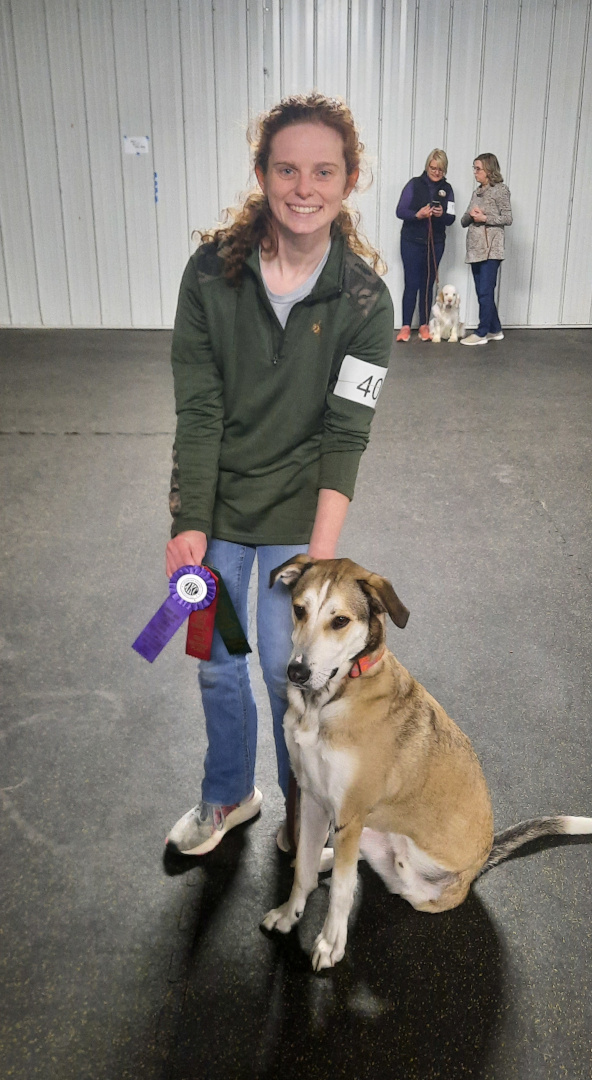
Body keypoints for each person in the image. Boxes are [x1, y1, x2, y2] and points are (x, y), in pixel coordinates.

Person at [164, 93, 394, 858]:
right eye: (287, 168)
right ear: (262, 173)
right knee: (215, 663)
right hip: (220, 513)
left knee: (289, 669)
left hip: (301, 518)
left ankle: (311, 814)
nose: (305, 187)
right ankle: (228, 795)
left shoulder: (366, 300)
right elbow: (198, 409)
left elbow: (346, 430)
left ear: (349, 179)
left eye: (323, 171)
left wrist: (319, 562)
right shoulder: (208, 276)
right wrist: (187, 521)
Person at [395, 149, 456, 343]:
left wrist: (441, 214)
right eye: (433, 168)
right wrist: (417, 215)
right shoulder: (414, 184)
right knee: (411, 283)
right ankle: (405, 326)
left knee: (428, 284)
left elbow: (451, 218)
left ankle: (424, 325)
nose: (436, 172)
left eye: (440, 169)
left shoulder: (448, 189)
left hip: (435, 243)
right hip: (411, 241)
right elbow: (400, 211)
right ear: (427, 166)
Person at [460, 154, 512, 346]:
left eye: (478, 169)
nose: (475, 172)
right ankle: (495, 329)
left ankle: (481, 332)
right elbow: (464, 221)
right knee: (482, 291)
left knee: (485, 291)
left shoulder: (501, 191)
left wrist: (485, 218)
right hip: (475, 249)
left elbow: (507, 218)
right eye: (474, 168)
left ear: (489, 170)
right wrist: (471, 216)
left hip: (492, 249)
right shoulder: (477, 192)